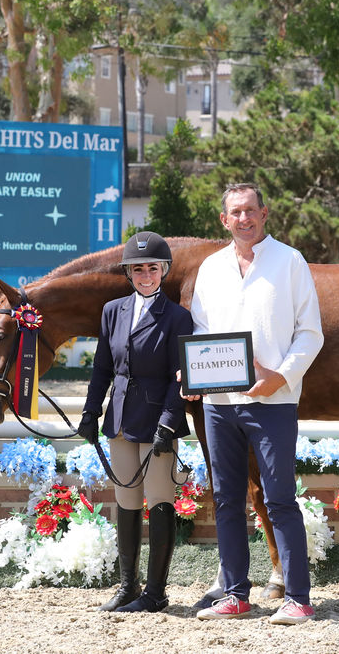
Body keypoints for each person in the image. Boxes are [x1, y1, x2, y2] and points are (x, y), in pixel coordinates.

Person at [187, 183, 324, 626]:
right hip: (218, 403)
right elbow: (202, 333)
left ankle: (298, 599)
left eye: (250, 211)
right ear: (223, 220)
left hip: (274, 402)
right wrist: (191, 374)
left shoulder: (291, 261)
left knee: (280, 498)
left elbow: (311, 332)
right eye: (235, 213)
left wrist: (280, 376)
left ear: (265, 214)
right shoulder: (210, 269)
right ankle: (236, 595)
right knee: (227, 499)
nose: (243, 219)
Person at [79, 231, 194, 613]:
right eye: (138, 269)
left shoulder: (178, 317)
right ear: (129, 273)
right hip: (122, 419)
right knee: (126, 501)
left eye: (152, 268)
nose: (146, 275)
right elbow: (102, 368)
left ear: (163, 271)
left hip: (158, 421)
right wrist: (91, 411)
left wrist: (167, 424)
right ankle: (128, 585)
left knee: (160, 501)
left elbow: (181, 379)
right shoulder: (113, 311)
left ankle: (156, 592)